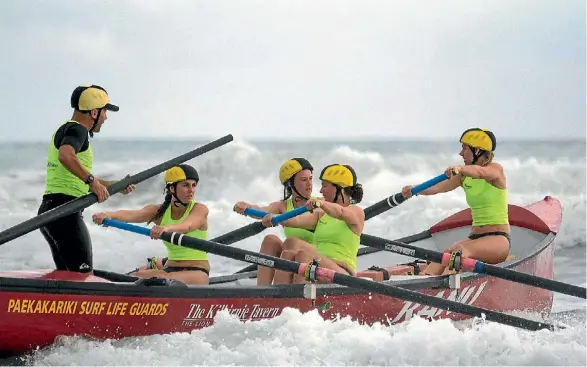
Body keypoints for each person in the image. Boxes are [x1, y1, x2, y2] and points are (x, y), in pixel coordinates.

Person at [38, 84, 135, 273]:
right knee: (83, 276)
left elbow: (73, 176)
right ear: (93, 112)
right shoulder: (78, 130)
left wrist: (112, 185)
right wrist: (92, 182)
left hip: (50, 210)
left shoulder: (66, 129)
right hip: (65, 213)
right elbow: (66, 156)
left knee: (67, 278)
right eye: (105, 111)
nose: (106, 117)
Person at [401, 128, 510, 276]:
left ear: (477, 150)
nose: (460, 153)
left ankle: (444, 288)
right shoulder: (463, 176)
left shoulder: (495, 170)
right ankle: (419, 284)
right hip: (474, 238)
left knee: (459, 252)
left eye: (464, 148)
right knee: (447, 254)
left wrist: (461, 168)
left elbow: (481, 172)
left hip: (498, 240)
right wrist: (415, 189)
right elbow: (437, 187)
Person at [92, 164, 211, 285]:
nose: (191, 190)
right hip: (169, 268)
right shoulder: (160, 212)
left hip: (197, 272)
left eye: (194, 185)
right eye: (185, 185)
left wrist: (166, 228)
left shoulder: (200, 209)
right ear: (172, 188)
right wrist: (108, 215)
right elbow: (134, 214)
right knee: (131, 278)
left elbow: (188, 226)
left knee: (158, 278)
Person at [261, 164, 365, 284]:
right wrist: (275, 218)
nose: (321, 191)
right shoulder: (321, 215)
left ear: (339, 188)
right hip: (319, 265)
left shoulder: (356, 212)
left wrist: (322, 204)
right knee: (287, 255)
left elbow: (340, 212)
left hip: (343, 273)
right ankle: (275, 299)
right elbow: (295, 221)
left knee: (304, 255)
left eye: (324, 186)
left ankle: (300, 301)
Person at [233, 158, 315, 285]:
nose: (309, 184)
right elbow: (262, 210)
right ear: (290, 184)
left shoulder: (319, 204)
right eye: (304, 180)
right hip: (292, 256)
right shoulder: (282, 206)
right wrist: (246, 207)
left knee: (291, 242)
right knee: (270, 240)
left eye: (310, 178)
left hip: (316, 258)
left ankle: (279, 292)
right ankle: (262, 293)